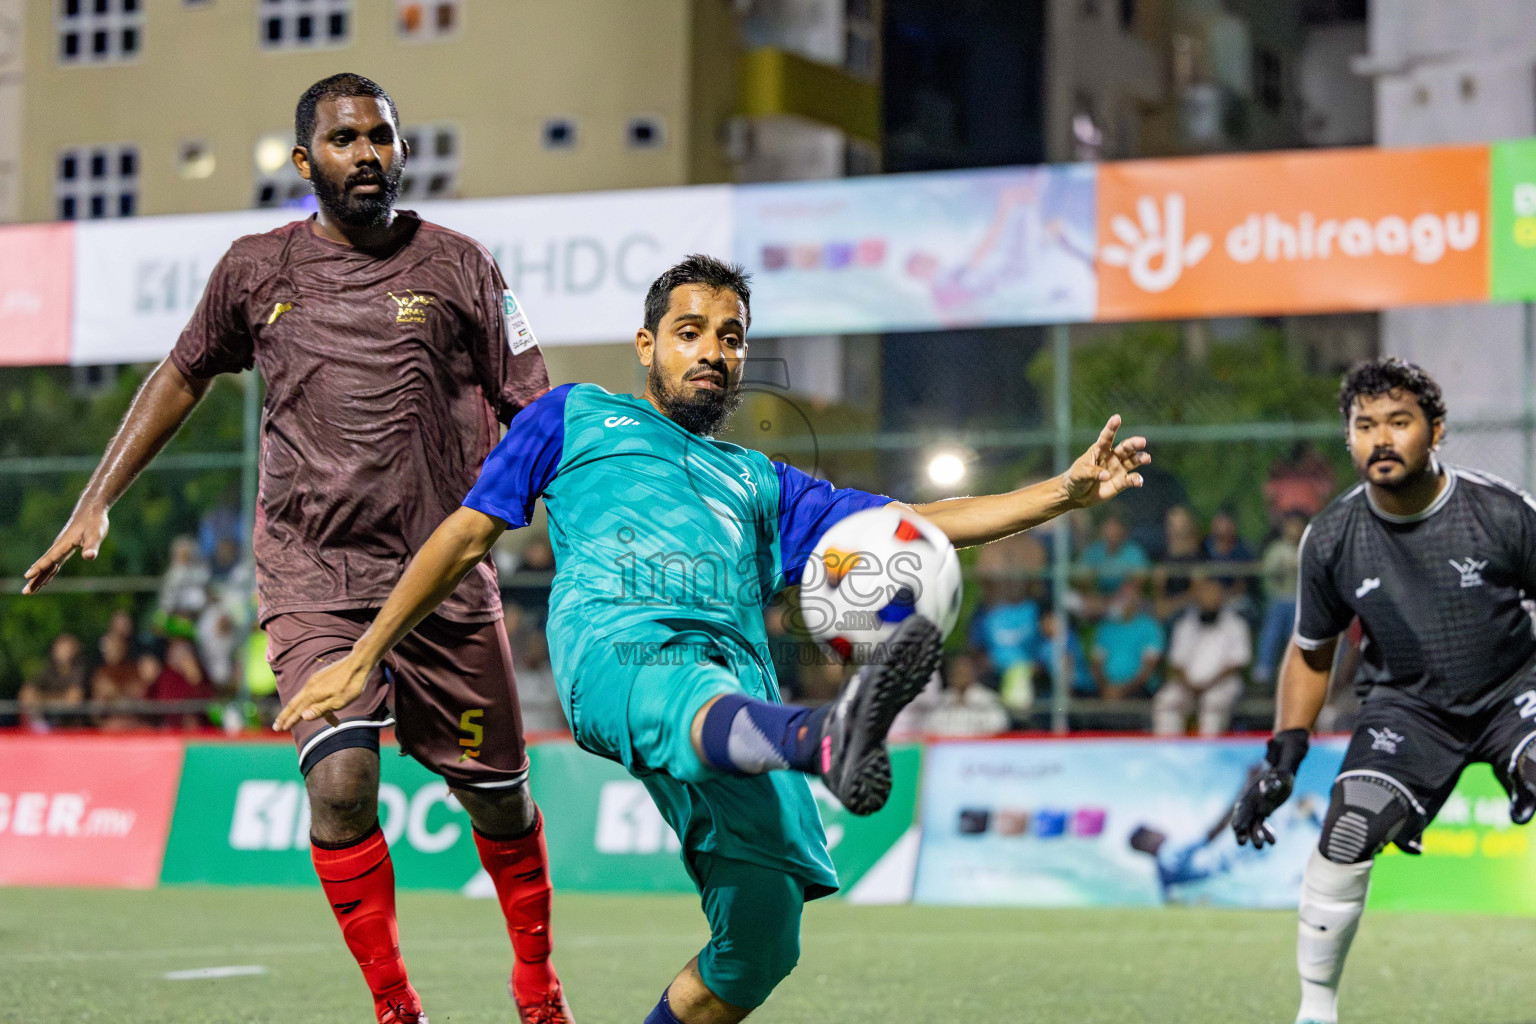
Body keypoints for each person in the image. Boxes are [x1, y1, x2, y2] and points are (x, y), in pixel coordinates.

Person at [275, 255, 1151, 1024]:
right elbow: (465, 536)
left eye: (731, 337)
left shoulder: (758, 481)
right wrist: (364, 653)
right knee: (685, 691)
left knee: (761, 946)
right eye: (690, 331)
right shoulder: (571, 416)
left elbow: (912, 522)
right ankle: (824, 735)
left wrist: (1063, 495)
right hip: (621, 656)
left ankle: (805, 739)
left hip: (737, 695)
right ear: (647, 345)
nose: (713, 351)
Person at [22, 74, 569, 1024]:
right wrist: (96, 499)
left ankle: (537, 986)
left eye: (383, 138)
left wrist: (580, 517)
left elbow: (536, 405)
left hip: (442, 575)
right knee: (342, 787)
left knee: (501, 807)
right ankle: (397, 1006)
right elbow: (180, 374)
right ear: (304, 159)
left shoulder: (463, 266)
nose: (369, 154)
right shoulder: (254, 270)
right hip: (313, 575)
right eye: (347, 139)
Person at [1232, 358, 1536, 1024]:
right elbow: (1311, 654)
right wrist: (1281, 760)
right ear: (1349, 438)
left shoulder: (1502, 512)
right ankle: (1316, 1011)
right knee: (1347, 828)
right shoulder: (1333, 538)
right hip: (1408, 707)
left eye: (1399, 422)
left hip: (1517, 689)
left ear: (1437, 431)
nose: (1381, 439)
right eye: (1364, 425)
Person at [1154, 575, 1251, 736]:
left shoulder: (1235, 624)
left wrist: (1207, 686)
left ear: (1221, 598)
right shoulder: (1185, 624)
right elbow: (1177, 664)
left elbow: (1237, 663)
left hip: (1222, 683)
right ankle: (1168, 753)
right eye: (1204, 595)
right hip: (1188, 684)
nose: (1208, 600)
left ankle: (1207, 755)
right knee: (1166, 701)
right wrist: (1190, 686)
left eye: (1213, 595)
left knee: (1212, 704)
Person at [1089, 577, 1164, 701]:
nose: (1124, 600)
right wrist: (1105, 687)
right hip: (1106, 689)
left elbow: (1149, 667)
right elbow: (1097, 663)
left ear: (1137, 600)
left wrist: (1123, 690)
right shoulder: (1106, 627)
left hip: (1138, 689)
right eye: (1122, 596)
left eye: (1129, 597)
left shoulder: (1149, 627)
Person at [1255, 512, 1308, 686]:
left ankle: (1294, 668)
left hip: (1301, 601)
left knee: (1295, 632)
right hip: (1277, 599)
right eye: (1290, 525)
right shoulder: (1276, 549)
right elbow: (1267, 575)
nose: (1293, 529)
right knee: (1272, 629)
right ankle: (1264, 669)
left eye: (1297, 525)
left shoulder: (1308, 546)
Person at [924, 652, 1010, 737]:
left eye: (964, 670)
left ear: (974, 672)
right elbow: (929, 730)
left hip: (980, 748)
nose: (960, 674)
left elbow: (999, 727)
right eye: (956, 671)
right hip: (947, 747)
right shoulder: (941, 701)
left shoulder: (988, 699)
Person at [18, 633, 89, 731]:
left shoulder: (80, 670)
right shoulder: (46, 670)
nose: (64, 652)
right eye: (61, 647)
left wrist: (41, 699)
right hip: (48, 726)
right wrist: (59, 699)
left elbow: (73, 701)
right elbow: (26, 696)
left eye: (68, 648)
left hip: (72, 728)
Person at [1078, 510, 1151, 594]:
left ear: (1123, 529)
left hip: (1122, 597)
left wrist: (1116, 597)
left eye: (1116, 525)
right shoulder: (1094, 550)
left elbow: (1139, 579)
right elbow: (1082, 576)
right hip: (1097, 597)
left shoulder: (1134, 551)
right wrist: (1093, 594)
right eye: (1109, 525)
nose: (1113, 530)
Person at [1153, 504, 1203, 620]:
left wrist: (1170, 606)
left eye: (1181, 525)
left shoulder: (1198, 555)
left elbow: (1197, 592)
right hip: (1165, 609)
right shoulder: (1163, 554)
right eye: (1173, 525)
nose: (1177, 530)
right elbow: (1158, 592)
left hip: (1190, 610)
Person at [91, 630, 146, 731]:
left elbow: (139, 700)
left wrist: (115, 692)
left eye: (114, 645)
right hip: (109, 727)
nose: (109, 650)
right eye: (107, 647)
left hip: (133, 725)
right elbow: (96, 712)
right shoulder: (101, 673)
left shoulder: (134, 670)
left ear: (122, 647)